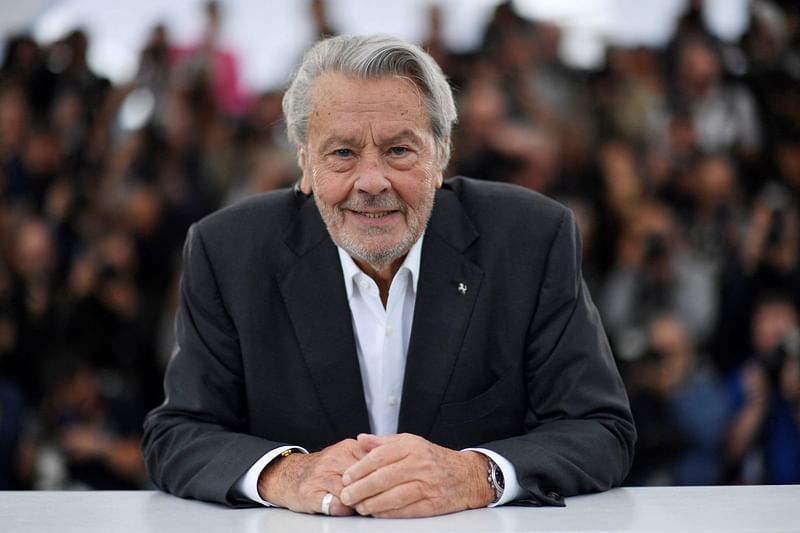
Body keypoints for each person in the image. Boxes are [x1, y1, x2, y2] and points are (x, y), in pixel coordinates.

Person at [142, 34, 635, 518]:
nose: (372, 181)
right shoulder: (228, 251)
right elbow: (179, 433)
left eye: (399, 150)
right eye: (342, 153)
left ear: (441, 153)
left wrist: (474, 475)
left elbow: (598, 428)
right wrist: (287, 475)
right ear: (304, 162)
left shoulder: (530, 238)